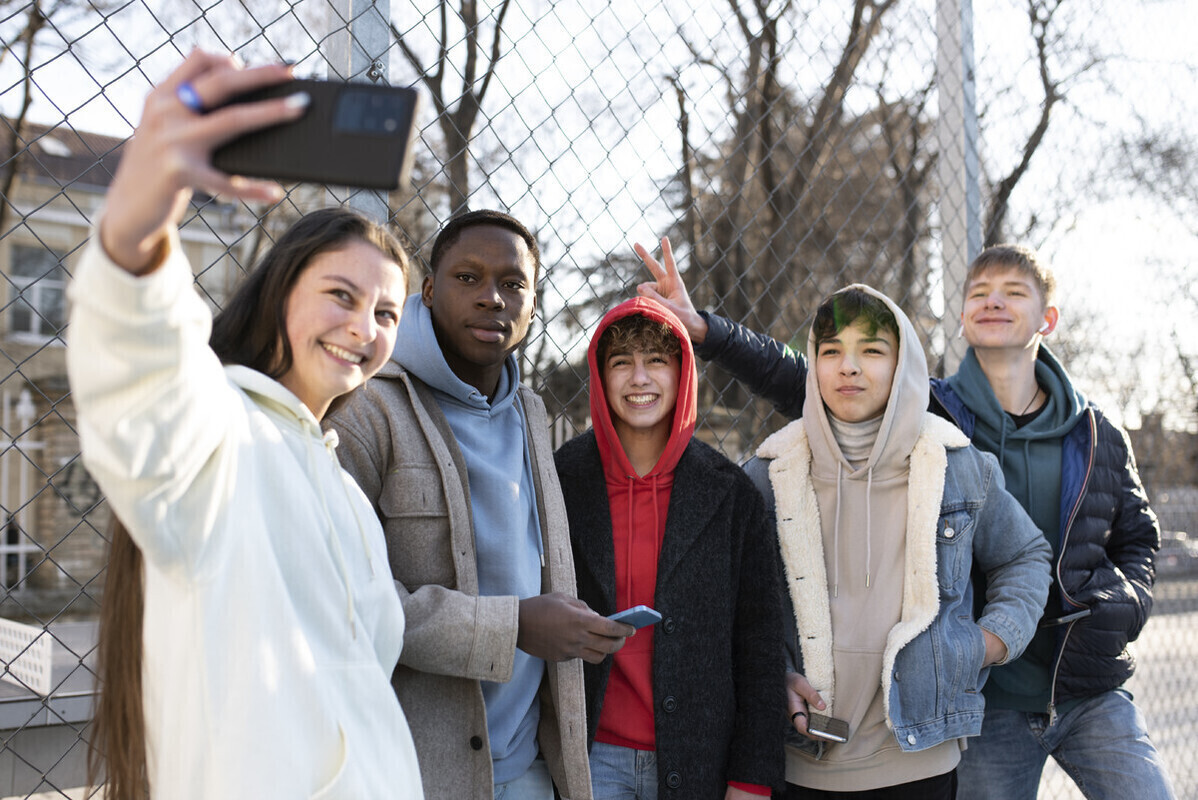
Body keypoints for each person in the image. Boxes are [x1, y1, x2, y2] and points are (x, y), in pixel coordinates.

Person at [637, 238, 1172, 799]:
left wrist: (1119, 609)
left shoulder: (1094, 432)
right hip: (985, 701)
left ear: (1049, 317)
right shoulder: (932, 412)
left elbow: (1134, 538)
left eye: (1014, 292)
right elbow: (799, 374)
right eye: (980, 293)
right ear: (960, 316)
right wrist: (707, 330)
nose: (994, 301)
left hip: (1081, 679)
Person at [70, 51, 422, 799]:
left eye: (387, 312)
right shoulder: (221, 434)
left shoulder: (344, 491)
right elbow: (145, 382)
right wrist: (134, 236)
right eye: (341, 295)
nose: (364, 328)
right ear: (280, 292)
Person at [326, 208, 632, 800]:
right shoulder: (366, 410)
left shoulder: (531, 413)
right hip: (414, 771)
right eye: (468, 278)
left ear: (533, 306)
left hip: (526, 761)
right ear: (429, 290)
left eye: (513, 284)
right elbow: (346, 602)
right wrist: (514, 626)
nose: (492, 297)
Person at [742, 284, 1051, 797]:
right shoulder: (768, 474)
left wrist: (989, 641)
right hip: (800, 760)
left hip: (918, 761)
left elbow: (1025, 555)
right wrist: (776, 673)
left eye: (871, 350)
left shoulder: (956, 465)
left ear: (902, 364)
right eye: (831, 351)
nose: (848, 367)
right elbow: (737, 606)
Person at [553, 297, 786, 800]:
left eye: (656, 360)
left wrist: (752, 778)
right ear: (600, 375)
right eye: (622, 362)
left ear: (683, 375)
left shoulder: (730, 493)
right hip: (591, 757)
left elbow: (760, 646)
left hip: (701, 758)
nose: (639, 378)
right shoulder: (560, 480)